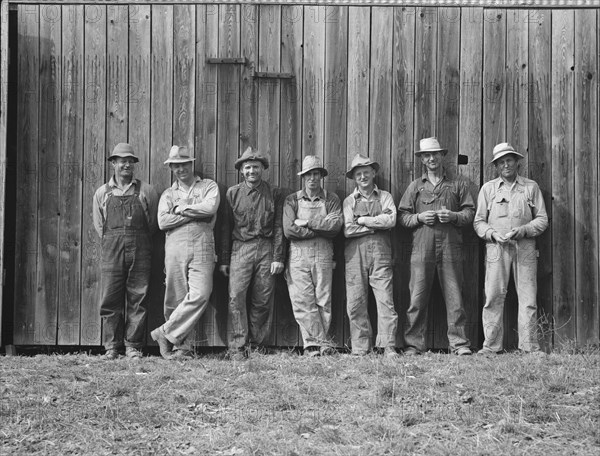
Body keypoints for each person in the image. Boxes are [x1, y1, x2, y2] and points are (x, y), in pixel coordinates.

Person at [398, 137, 474, 356]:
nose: (431, 158)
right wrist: (419, 217)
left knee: (455, 296)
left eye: (435, 154)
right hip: (422, 248)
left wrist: (453, 216)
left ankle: (459, 344)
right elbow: (402, 216)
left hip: (451, 248)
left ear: (442, 156)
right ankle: (413, 344)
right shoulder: (415, 186)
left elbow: (470, 213)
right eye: (427, 155)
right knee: (417, 297)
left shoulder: (458, 184)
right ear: (422, 159)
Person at [474, 142, 548, 355]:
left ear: (517, 162)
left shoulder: (530, 187)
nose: (505, 165)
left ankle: (529, 347)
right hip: (496, 249)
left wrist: (523, 230)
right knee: (493, 296)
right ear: (496, 166)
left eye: (509, 160)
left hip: (525, 248)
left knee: (528, 298)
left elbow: (542, 220)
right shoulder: (488, 189)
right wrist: (492, 234)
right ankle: (491, 346)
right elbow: (478, 222)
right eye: (501, 162)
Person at [150, 146, 220, 359]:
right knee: (175, 296)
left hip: (203, 245)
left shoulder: (208, 185)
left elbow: (210, 209)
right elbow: (163, 222)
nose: (181, 169)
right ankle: (182, 347)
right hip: (175, 247)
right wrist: (194, 214)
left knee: (201, 293)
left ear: (191, 164)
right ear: (171, 168)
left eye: (184, 164)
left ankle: (165, 333)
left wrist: (180, 209)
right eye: (176, 166)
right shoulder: (168, 194)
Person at [92, 143, 159, 359]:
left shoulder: (146, 191)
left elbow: (152, 224)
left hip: (140, 249)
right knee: (110, 298)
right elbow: (99, 225)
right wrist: (115, 240)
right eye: (122, 161)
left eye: (130, 161)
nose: (126, 164)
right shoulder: (102, 192)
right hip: (112, 249)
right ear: (113, 163)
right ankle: (111, 346)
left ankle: (133, 346)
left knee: (138, 297)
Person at [219, 147, 285, 360]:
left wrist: (278, 257)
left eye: (255, 167)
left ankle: (257, 344)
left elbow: (278, 228)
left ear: (262, 169)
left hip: (266, 248)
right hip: (241, 248)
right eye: (247, 167)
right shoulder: (232, 193)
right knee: (235, 296)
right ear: (241, 170)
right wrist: (224, 258)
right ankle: (237, 346)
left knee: (263, 299)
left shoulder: (274, 193)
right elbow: (225, 228)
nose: (251, 171)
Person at [283, 156, 343, 356]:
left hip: (324, 254)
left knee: (323, 299)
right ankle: (314, 344)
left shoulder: (332, 198)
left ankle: (319, 344)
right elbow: (289, 230)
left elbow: (335, 227)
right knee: (302, 300)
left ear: (321, 176)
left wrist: (307, 223)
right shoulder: (292, 199)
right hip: (298, 256)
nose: (312, 178)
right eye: (308, 174)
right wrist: (320, 226)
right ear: (303, 177)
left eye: (316, 174)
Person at [343, 154, 399, 358]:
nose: (363, 176)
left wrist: (364, 220)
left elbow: (391, 220)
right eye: (359, 173)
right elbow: (348, 230)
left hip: (380, 254)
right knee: (356, 301)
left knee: (385, 300)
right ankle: (360, 347)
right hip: (354, 256)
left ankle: (388, 345)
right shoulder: (349, 201)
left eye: (366, 172)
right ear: (354, 178)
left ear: (373, 173)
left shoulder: (385, 196)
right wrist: (375, 225)